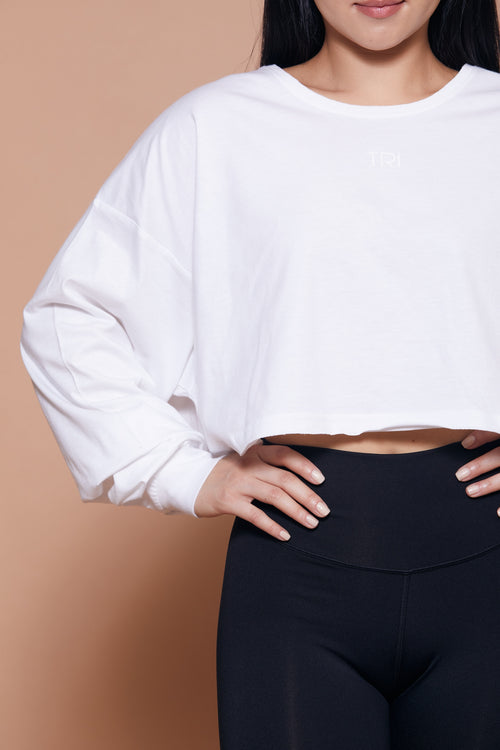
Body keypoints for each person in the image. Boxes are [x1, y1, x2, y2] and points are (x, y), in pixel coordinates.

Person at [19, 0, 500, 746]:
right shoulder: (215, 128)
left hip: (485, 561)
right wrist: (184, 473)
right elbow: (70, 316)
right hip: (297, 570)